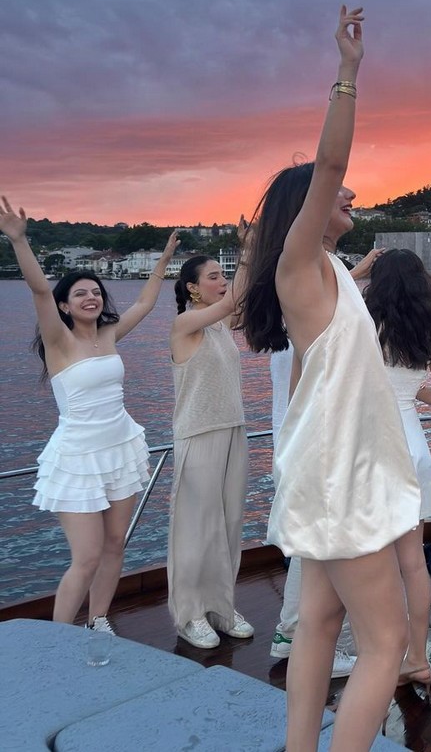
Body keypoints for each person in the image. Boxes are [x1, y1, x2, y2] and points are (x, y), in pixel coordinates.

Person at [238, 6, 421, 752]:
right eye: (335, 199)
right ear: (305, 213)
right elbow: (331, 170)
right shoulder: (300, 264)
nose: (350, 196)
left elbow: (317, 372)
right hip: (342, 473)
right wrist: (347, 73)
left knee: (317, 620)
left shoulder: (338, 274)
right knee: (388, 642)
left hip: (330, 466)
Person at [0, 197, 178, 630]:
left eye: (96, 291)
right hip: (79, 457)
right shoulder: (59, 342)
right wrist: (19, 241)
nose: (91, 297)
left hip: (119, 447)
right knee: (86, 557)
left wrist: (165, 261)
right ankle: (58, 638)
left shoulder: (109, 334)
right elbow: (41, 288)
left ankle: (98, 621)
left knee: (116, 544)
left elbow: (144, 306)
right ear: (65, 305)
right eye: (80, 292)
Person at [269, 246, 384, 676]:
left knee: (312, 548)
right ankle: (293, 631)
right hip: (311, 442)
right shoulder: (304, 321)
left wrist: (355, 270)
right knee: (314, 547)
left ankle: (294, 633)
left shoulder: (291, 321)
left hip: (299, 439)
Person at [364, 247, 431, 693]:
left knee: (375, 564)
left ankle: (381, 655)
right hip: (414, 446)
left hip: (375, 446)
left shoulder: (365, 326)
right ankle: (417, 659)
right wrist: (411, 392)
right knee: (413, 565)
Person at [167, 254, 253, 649]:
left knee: (229, 525)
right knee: (195, 530)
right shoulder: (186, 323)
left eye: (224, 275)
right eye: (214, 276)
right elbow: (232, 301)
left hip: (232, 429)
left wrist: (249, 257)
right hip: (198, 434)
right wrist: (248, 249)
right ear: (192, 288)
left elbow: (241, 296)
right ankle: (190, 613)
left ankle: (221, 606)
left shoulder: (219, 324)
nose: (223, 281)